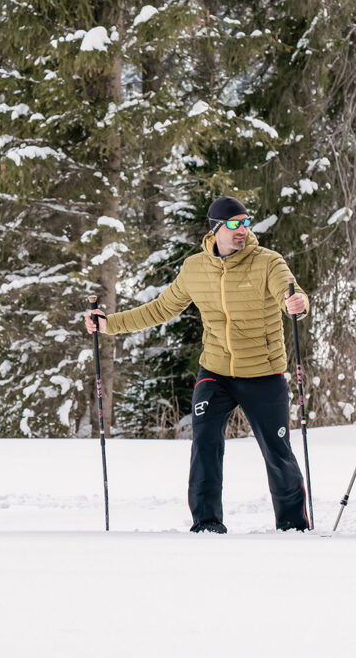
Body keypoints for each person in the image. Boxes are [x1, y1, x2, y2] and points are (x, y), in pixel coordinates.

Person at [85, 195, 311, 533]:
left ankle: (294, 525)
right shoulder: (195, 268)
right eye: (234, 224)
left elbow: (290, 293)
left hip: (263, 372)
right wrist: (108, 324)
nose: (242, 231)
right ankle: (206, 522)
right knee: (205, 440)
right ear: (216, 229)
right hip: (216, 372)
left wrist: (297, 303)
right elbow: (160, 309)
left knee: (277, 450)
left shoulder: (268, 262)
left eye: (246, 223)